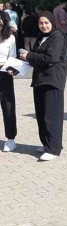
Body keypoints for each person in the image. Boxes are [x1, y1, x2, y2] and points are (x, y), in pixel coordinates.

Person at [20, 13, 67, 162]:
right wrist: (20, 63)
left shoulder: (57, 37)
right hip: (40, 80)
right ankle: (47, 144)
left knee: (51, 116)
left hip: (52, 81)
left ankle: (54, 149)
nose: (44, 26)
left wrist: (29, 56)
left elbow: (51, 58)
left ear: (52, 22)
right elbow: (36, 57)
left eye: (46, 22)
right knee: (41, 115)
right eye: (41, 23)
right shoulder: (41, 37)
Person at [0, 11, 18, 152]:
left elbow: (12, 57)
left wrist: (11, 68)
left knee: (8, 106)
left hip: (4, 74)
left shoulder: (10, 38)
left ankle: (11, 139)